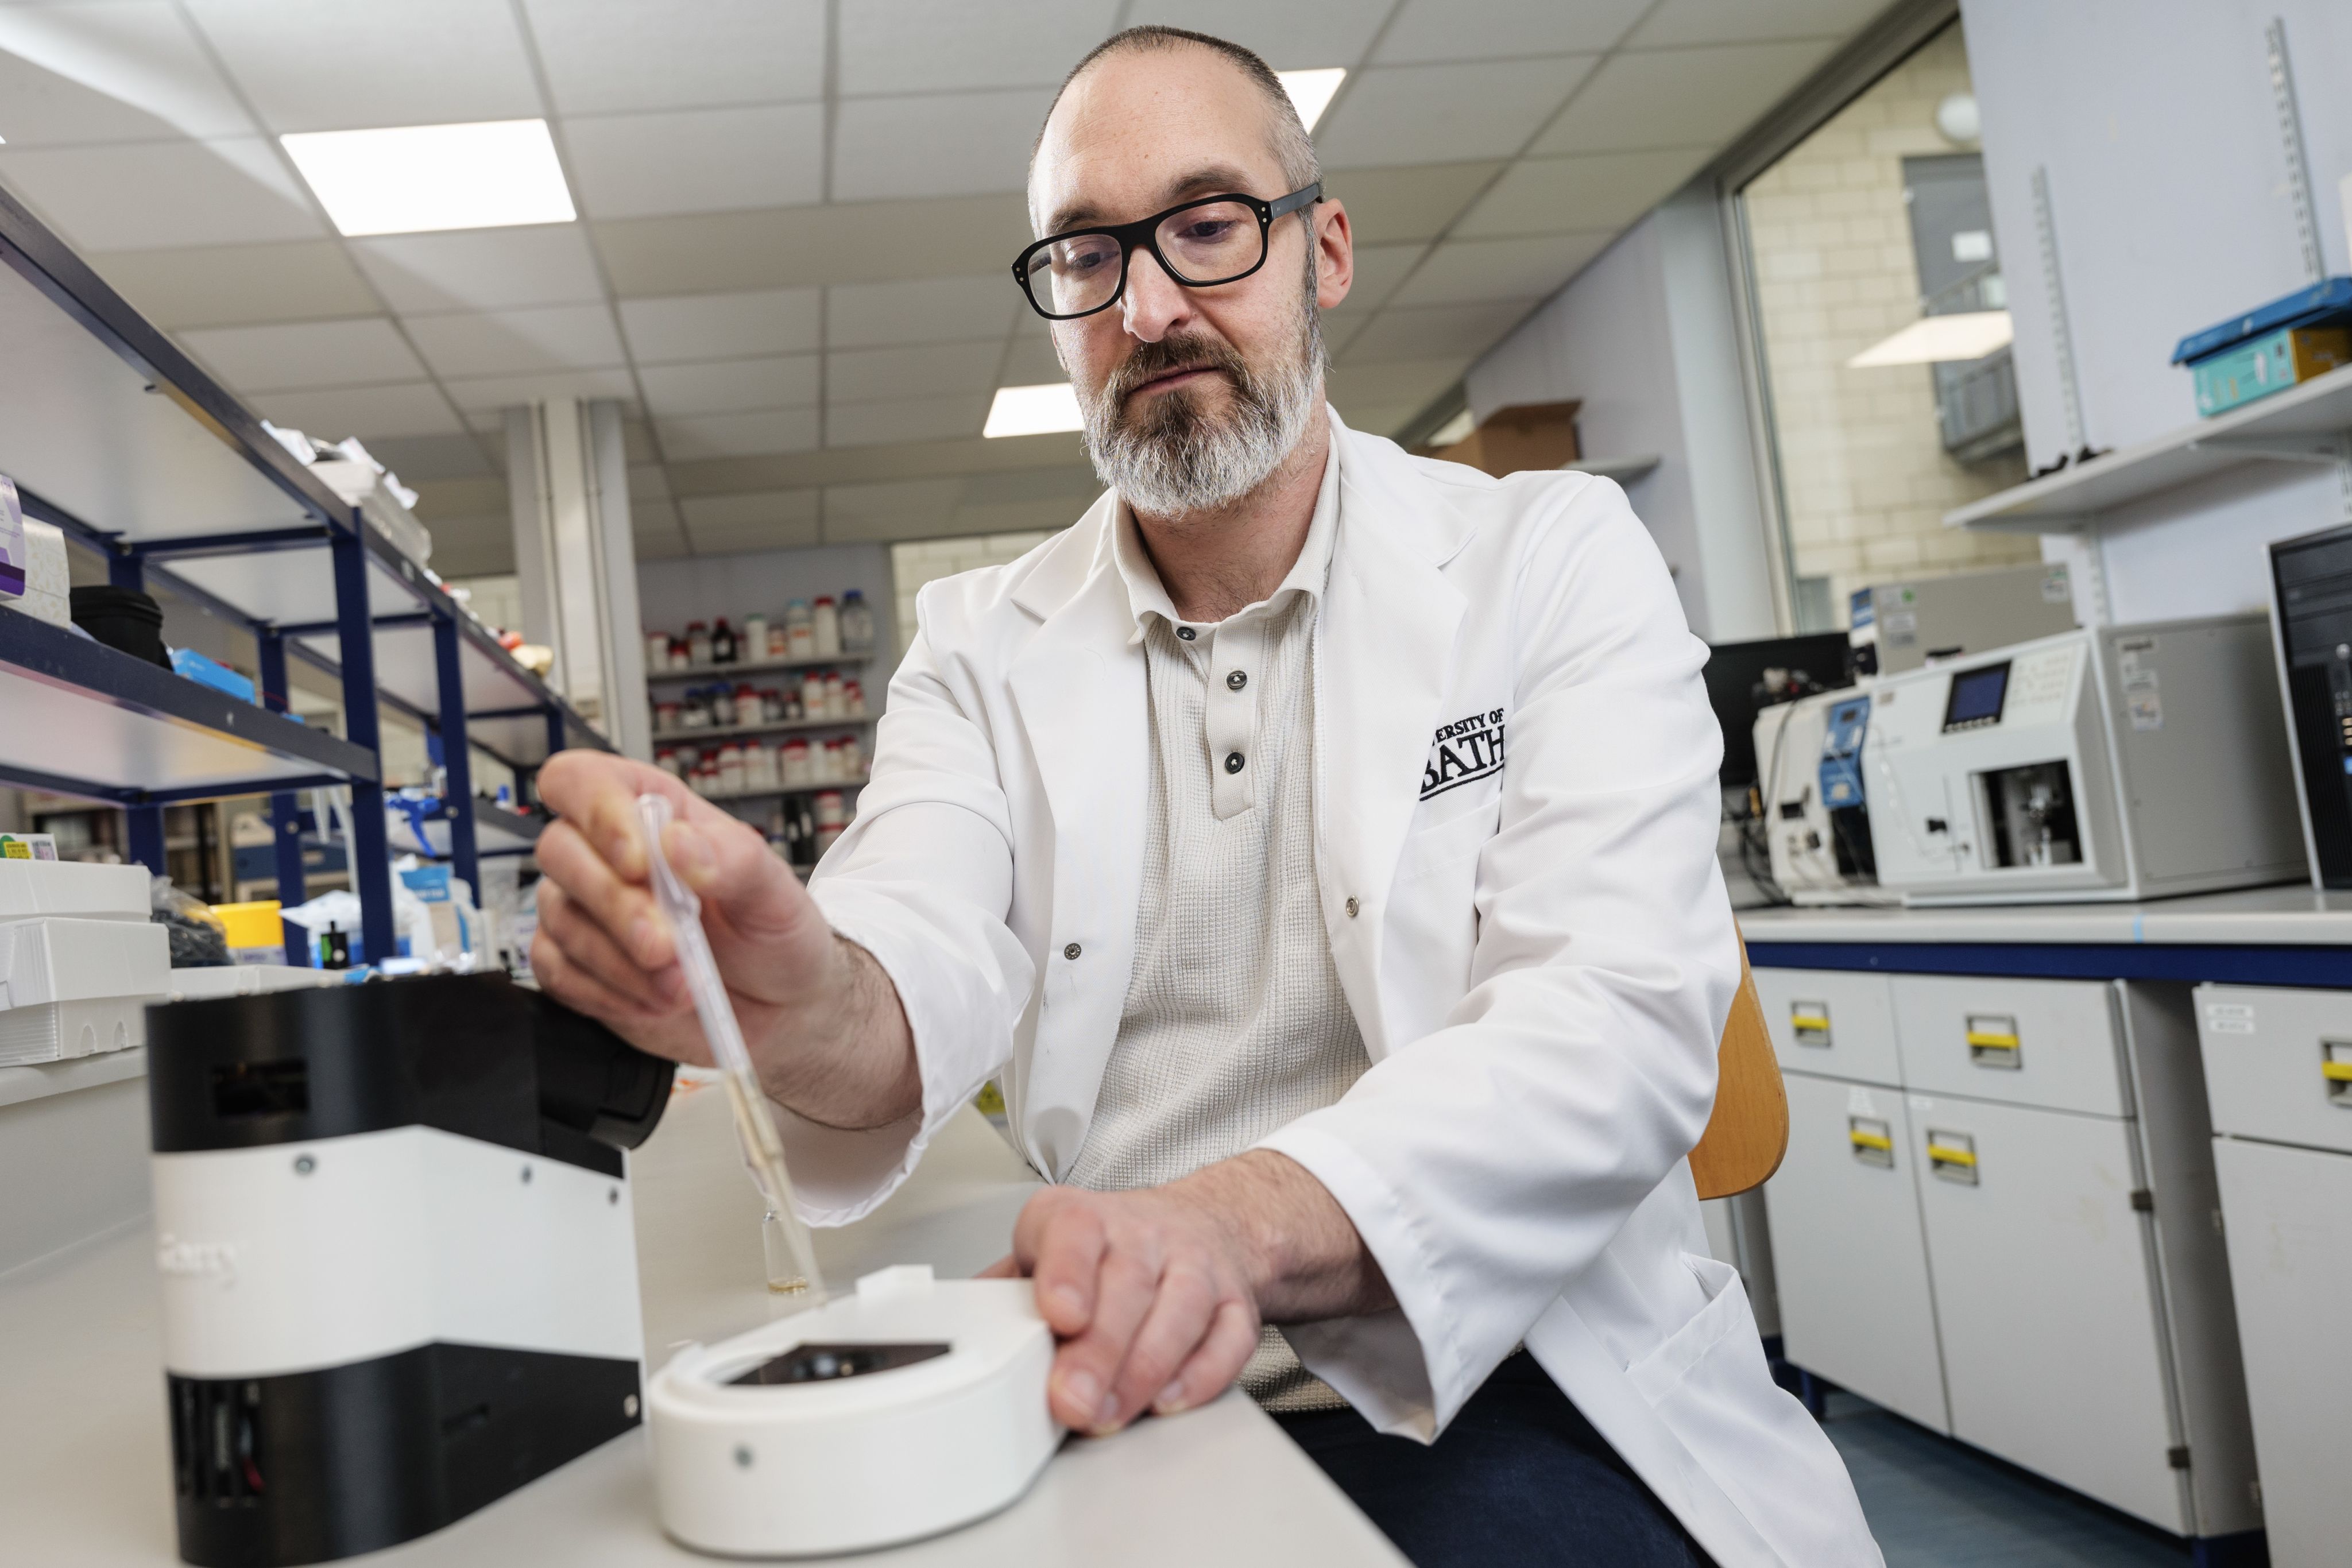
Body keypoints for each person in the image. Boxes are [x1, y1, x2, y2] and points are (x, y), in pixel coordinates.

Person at [529, 25, 1879, 1568]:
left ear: (1326, 249)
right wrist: (788, 990)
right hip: (1141, 1389)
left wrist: (1230, 1220)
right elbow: (908, 950)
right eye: (1088, 255)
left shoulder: (1549, 560)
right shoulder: (981, 644)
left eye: (1209, 225)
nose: (1154, 305)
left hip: (1521, 1374)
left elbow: (1618, 1018)